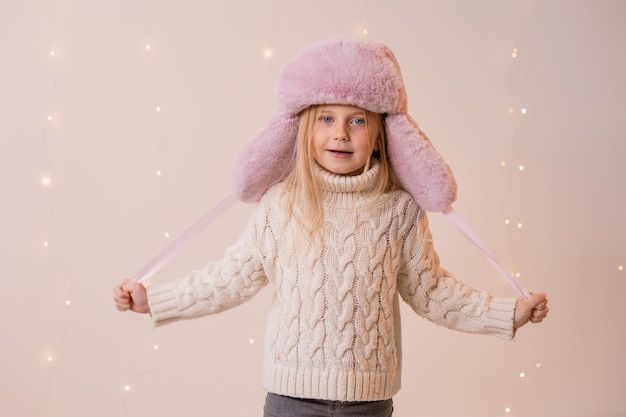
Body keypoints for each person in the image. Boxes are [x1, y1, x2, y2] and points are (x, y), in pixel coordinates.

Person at [113, 36, 548, 417]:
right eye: (326, 119)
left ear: (379, 134)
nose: (340, 133)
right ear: (303, 129)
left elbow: (432, 292)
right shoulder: (281, 205)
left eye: (356, 120)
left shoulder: (399, 211)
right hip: (290, 401)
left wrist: (507, 313)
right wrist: (156, 300)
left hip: (370, 403)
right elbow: (229, 279)